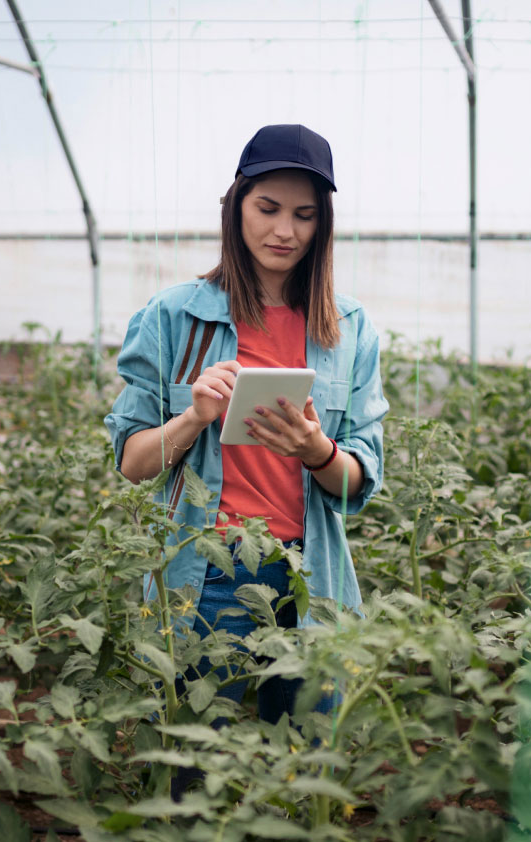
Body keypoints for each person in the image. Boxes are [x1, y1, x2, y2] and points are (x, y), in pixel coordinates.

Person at [103, 124, 389, 799]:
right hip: (204, 579)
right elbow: (132, 463)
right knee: (192, 778)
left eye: (305, 214)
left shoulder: (349, 329)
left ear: (323, 225)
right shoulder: (175, 317)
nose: (285, 229)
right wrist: (194, 415)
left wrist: (317, 452)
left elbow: (358, 486)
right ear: (235, 206)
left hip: (307, 581)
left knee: (300, 780)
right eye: (268, 207)